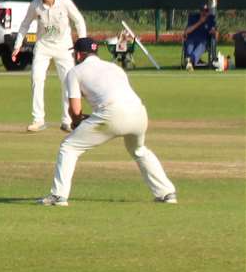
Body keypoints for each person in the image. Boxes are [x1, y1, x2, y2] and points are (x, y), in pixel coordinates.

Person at [38, 38, 176, 206]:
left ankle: (58, 196)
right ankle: (167, 193)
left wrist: (76, 122)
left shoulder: (75, 72)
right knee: (139, 150)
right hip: (139, 112)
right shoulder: (114, 67)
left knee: (69, 147)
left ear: (79, 54)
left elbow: (75, 110)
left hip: (112, 113)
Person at [11, 0, 87, 132]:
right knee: (37, 78)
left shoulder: (65, 3)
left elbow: (79, 20)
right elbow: (25, 25)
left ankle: (67, 120)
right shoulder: (35, 5)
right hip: (43, 46)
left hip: (63, 46)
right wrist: (17, 45)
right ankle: (38, 120)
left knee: (68, 82)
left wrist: (82, 44)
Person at [182, 4, 218, 69]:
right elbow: (187, 31)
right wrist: (200, 22)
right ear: (200, 11)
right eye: (202, 10)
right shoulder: (193, 17)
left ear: (208, 11)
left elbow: (216, 35)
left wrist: (214, 32)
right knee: (189, 46)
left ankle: (190, 61)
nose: (204, 12)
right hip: (191, 39)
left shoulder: (211, 19)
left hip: (203, 41)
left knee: (201, 45)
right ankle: (191, 62)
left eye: (206, 11)